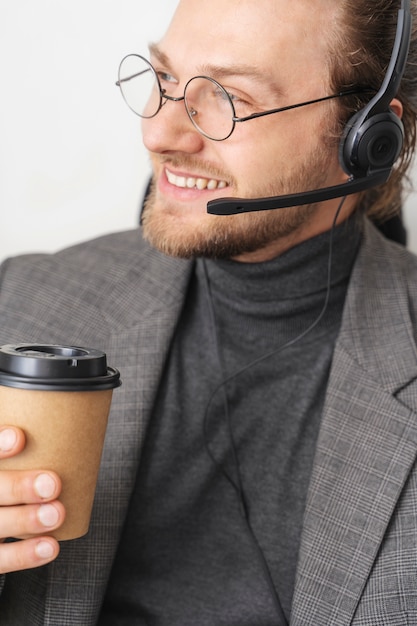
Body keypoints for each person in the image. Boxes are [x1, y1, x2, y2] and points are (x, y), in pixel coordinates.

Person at [0, 0, 417, 623]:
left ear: (366, 138)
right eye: (166, 81)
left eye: (228, 98)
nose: (159, 133)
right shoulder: (25, 297)